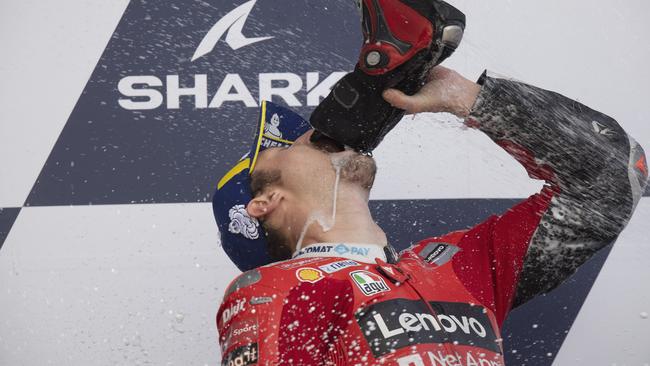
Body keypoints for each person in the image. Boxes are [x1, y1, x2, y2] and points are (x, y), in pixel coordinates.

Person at [211, 1, 648, 365]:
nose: (311, 135)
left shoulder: (462, 267)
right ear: (265, 201)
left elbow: (614, 179)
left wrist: (473, 100)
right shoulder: (278, 290)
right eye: (286, 146)